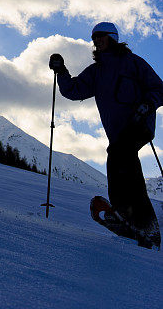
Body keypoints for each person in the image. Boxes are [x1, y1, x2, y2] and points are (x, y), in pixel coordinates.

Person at [49, 21, 163, 248]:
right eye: (94, 37)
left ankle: (140, 219)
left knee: (121, 154)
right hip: (118, 132)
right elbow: (73, 90)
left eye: (101, 36)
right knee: (118, 158)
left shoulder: (133, 63)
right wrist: (61, 71)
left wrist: (148, 105)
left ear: (112, 37)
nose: (96, 40)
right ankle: (128, 216)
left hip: (139, 123)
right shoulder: (97, 71)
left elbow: (159, 88)